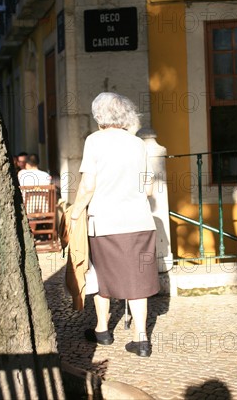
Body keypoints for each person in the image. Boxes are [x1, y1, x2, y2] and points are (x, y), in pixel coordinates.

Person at [69, 92, 159, 357]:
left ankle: (102, 331)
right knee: (138, 279)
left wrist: (75, 212)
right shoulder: (138, 144)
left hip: (105, 221)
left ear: (99, 116)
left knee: (101, 275)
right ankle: (141, 340)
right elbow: (149, 188)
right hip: (140, 220)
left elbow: (87, 185)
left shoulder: (94, 141)